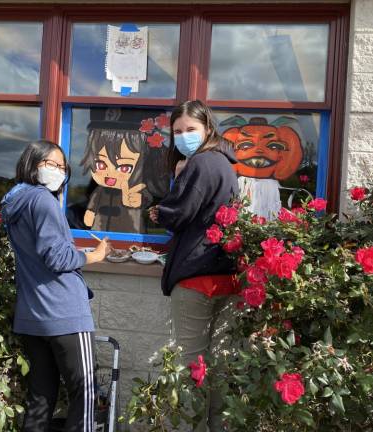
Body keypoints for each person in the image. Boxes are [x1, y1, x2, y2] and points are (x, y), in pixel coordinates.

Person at [1, 140, 110, 432]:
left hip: (32, 315)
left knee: (40, 397)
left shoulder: (14, 202)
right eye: (50, 164)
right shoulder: (42, 200)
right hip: (64, 312)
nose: (58, 171)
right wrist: (94, 255)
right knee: (85, 396)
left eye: (62, 167)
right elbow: (57, 256)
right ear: (32, 164)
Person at [149, 100, 239, 431]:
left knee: (194, 369)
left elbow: (178, 214)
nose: (184, 136)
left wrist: (160, 208)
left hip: (197, 276)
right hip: (226, 275)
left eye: (191, 129)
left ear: (208, 129)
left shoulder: (200, 163)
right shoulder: (226, 165)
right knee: (218, 366)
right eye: (177, 131)